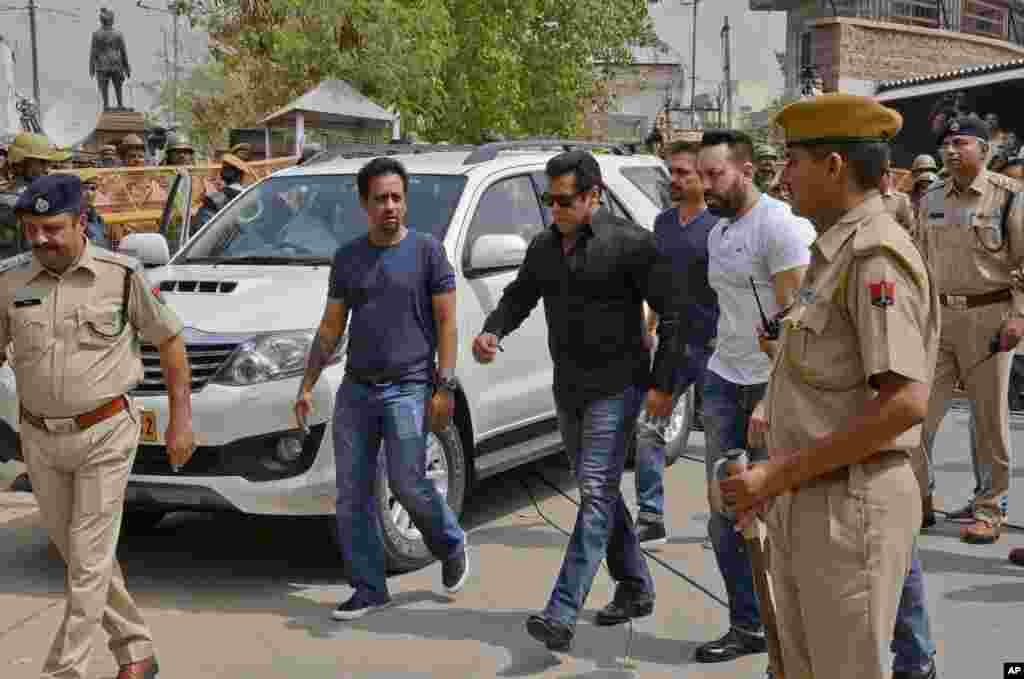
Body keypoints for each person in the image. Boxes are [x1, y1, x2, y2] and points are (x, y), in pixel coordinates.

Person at [721, 93, 940, 679]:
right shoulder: (833, 251)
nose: (782, 176)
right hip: (810, 495)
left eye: (793, 161)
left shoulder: (874, 256)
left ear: (835, 166)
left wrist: (778, 475)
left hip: (851, 505)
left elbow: (904, 405)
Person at [473, 150, 681, 651]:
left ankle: (561, 612)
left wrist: (663, 385)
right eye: (550, 200)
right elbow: (521, 295)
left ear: (594, 196)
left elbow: (674, 317)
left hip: (619, 387)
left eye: (565, 200)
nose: (555, 210)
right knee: (602, 497)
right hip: (569, 390)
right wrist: (493, 330)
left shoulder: (633, 244)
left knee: (592, 493)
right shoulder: (545, 247)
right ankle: (635, 587)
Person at [3, 174, 194, 679]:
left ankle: (64, 672)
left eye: (52, 228)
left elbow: (171, 342)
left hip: (105, 432)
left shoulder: (121, 275)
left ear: (81, 222)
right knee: (81, 558)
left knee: (88, 559)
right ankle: (136, 651)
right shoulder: (10, 283)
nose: (40, 239)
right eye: (32, 230)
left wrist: (181, 422)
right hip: (39, 437)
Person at [293, 156, 469, 620]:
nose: (390, 206)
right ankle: (369, 588)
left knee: (409, 483)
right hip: (357, 390)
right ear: (363, 204)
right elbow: (331, 327)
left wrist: (444, 385)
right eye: (380, 199)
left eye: (396, 198)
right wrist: (307, 383)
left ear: (405, 202)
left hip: (409, 387)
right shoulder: (349, 258)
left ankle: (450, 543)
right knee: (350, 495)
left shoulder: (429, 252)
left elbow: (448, 323)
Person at [693, 129, 816, 666]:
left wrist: (770, 399)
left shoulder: (782, 228)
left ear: (746, 170)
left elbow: (797, 322)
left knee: (778, 519)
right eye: (700, 175)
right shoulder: (718, 233)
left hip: (772, 388)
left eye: (714, 174)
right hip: (724, 380)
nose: (704, 185)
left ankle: (793, 631)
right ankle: (748, 625)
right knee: (725, 514)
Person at [917, 113, 1022, 543]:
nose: (950, 149)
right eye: (947, 143)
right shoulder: (932, 196)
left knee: (989, 420)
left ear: (984, 150)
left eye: (961, 142)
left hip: (989, 317)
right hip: (938, 319)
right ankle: (918, 498)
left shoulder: (1009, 197)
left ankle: (990, 509)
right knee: (917, 416)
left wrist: (1019, 315)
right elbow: (920, 260)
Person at [634, 140, 718, 545]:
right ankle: (650, 518)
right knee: (650, 427)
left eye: (684, 172)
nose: (675, 179)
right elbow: (660, 282)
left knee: (722, 439)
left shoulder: (720, 225)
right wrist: (649, 325)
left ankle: (730, 522)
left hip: (718, 346)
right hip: (673, 345)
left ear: (703, 177)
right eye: (672, 172)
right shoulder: (663, 224)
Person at [194, 153, 255, 228]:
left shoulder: (215, 198)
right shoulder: (250, 197)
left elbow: (197, 227)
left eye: (225, 168)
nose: (222, 170)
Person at [880, 165, 916, 235]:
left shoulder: (901, 198)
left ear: (888, 178)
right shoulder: (870, 197)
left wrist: (901, 236)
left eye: (882, 176)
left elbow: (911, 224)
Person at [80, 169, 111, 248]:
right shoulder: (73, 219)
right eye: (84, 188)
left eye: (93, 188)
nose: (89, 193)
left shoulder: (98, 219)